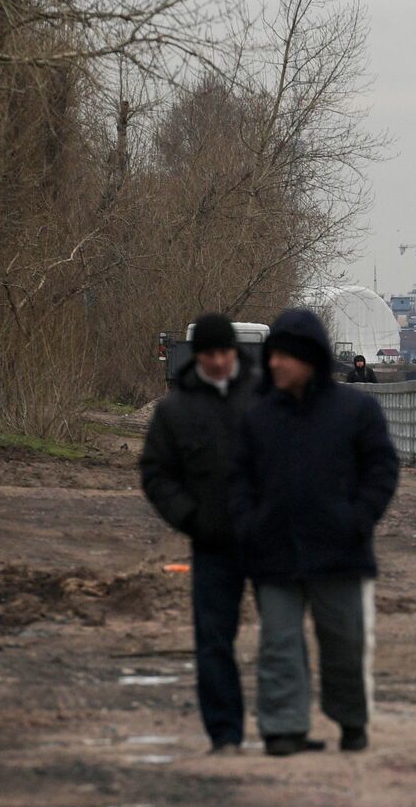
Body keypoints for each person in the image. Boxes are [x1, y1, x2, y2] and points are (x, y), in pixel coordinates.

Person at [231, 309, 399, 757]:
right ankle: (283, 728)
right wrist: (250, 525)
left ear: (309, 358)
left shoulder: (356, 409)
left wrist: (358, 518)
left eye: (284, 356)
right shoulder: (258, 417)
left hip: (340, 551)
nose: (274, 365)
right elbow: (238, 482)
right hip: (274, 552)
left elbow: (381, 470)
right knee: (279, 645)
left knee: (344, 643)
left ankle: (351, 722)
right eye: (272, 357)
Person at [139, 313, 258, 756]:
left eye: (225, 353)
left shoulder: (265, 396)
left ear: (235, 352)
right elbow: (155, 473)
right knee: (213, 642)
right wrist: (190, 518)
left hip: (266, 538)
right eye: (210, 355)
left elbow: (294, 460)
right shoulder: (176, 410)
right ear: (199, 356)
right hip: (211, 543)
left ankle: (286, 726)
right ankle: (225, 735)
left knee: (283, 637)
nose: (218, 362)